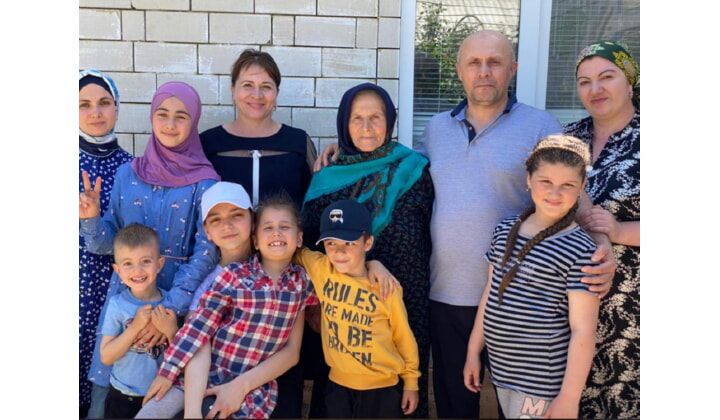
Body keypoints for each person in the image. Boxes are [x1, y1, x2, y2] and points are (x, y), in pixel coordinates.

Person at [315, 29, 616, 419]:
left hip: (520, 299)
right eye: (474, 63)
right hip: (447, 296)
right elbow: (393, 168)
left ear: (512, 69)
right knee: (455, 406)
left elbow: (571, 186)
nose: (484, 71)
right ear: (459, 71)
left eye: (495, 62)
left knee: (521, 409)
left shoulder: (541, 125)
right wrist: (342, 152)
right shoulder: (436, 129)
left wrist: (601, 242)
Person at [80, 81, 220, 416]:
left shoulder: (206, 183)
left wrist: (164, 313)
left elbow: (206, 253)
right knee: (108, 395)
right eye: (162, 114)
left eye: (181, 116)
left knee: (164, 396)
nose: (170, 124)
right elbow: (106, 245)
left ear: (194, 122)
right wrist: (91, 219)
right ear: (151, 117)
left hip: (176, 307)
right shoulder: (128, 174)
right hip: (127, 300)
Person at [302, 82, 434, 417]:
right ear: (344, 124)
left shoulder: (414, 169)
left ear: (389, 121)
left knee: (400, 400)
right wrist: (314, 305)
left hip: (405, 303)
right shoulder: (327, 177)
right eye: (356, 118)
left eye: (376, 117)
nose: (366, 126)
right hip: (344, 312)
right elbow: (308, 246)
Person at [200, 48, 318, 417]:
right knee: (223, 383)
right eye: (247, 85)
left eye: (266, 86)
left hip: (283, 287)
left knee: (283, 389)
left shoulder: (298, 143)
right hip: (227, 283)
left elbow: (313, 209)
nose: (256, 94)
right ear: (233, 89)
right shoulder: (208, 144)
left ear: (277, 93)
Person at [137, 192, 318, 419]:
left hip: (250, 392)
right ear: (255, 240)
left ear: (299, 239)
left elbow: (291, 351)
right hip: (200, 374)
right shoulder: (233, 276)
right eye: (268, 228)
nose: (276, 233)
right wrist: (170, 372)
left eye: (284, 227)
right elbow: (198, 330)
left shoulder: (302, 284)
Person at [463, 135, 600, 419]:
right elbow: (490, 293)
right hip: (502, 371)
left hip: (541, 385)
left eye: (568, 185)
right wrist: (474, 351)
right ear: (528, 179)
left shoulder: (581, 249)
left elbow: (583, 330)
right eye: (545, 181)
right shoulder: (504, 230)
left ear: (582, 187)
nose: (555, 193)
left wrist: (569, 398)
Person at [564, 40, 640, 419]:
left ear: (630, 81)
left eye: (607, 77)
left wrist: (619, 231)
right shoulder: (567, 139)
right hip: (572, 308)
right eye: (585, 81)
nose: (595, 89)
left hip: (633, 312)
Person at [295, 199, 420, 418]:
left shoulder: (385, 287)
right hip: (338, 385)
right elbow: (293, 251)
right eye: (331, 243)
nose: (339, 252)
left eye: (349, 243)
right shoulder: (322, 269)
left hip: (382, 388)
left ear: (368, 243)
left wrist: (411, 382)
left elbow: (403, 337)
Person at [79, 69, 134, 418]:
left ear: (117, 107)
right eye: (84, 105)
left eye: (104, 103)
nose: (95, 112)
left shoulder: (132, 168)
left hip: (114, 288)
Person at [99, 223, 180, 419]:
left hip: (159, 397)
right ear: (117, 270)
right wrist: (134, 328)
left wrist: (172, 332)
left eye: (145, 261)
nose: (137, 270)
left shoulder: (170, 304)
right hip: (122, 397)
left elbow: (182, 357)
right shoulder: (117, 305)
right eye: (128, 264)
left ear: (159, 264)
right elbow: (106, 357)